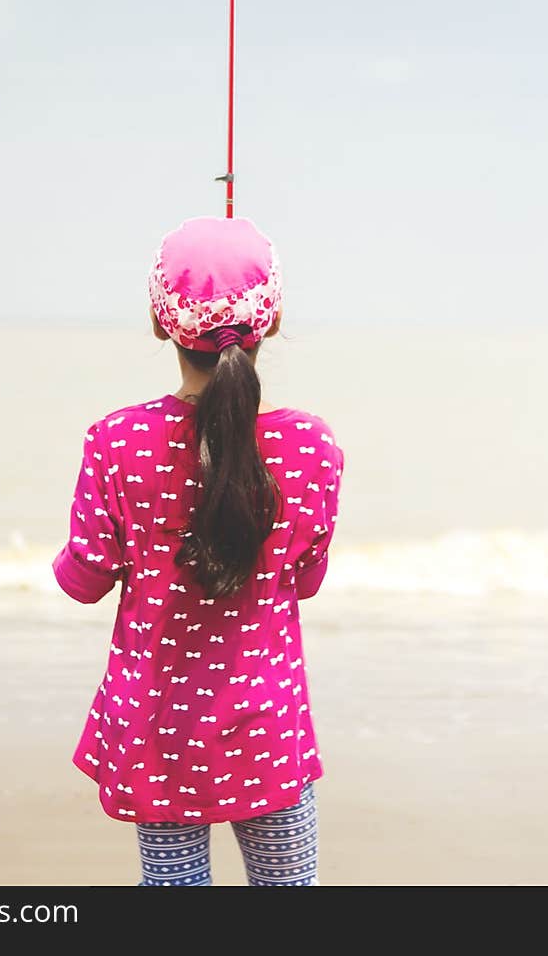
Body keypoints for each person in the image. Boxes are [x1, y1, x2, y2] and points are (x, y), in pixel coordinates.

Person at [52, 215, 345, 886]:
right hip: (266, 727)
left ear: (161, 325)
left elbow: (85, 578)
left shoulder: (117, 440)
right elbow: (305, 580)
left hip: (160, 728)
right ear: (269, 323)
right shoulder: (311, 446)